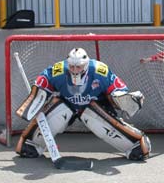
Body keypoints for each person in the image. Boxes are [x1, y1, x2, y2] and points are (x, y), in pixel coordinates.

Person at [15, 47, 151, 161]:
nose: (74, 70)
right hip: (68, 105)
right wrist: (38, 92)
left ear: (85, 65)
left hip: (94, 106)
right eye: (72, 66)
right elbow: (43, 81)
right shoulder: (58, 70)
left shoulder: (99, 70)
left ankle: (135, 144)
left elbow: (118, 88)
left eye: (78, 66)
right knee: (59, 110)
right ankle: (32, 144)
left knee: (93, 117)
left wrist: (122, 98)